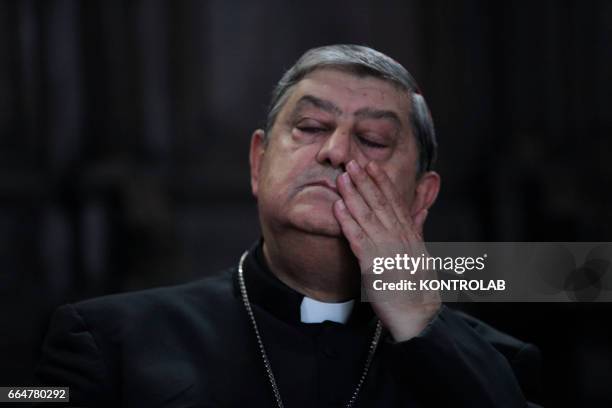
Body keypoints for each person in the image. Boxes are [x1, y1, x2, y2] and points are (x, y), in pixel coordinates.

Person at [36, 45, 542, 407]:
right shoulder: (107, 340)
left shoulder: (496, 365)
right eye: (312, 127)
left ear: (420, 197)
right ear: (258, 163)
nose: (336, 151)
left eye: (372, 139)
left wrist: (422, 323)